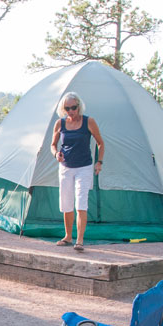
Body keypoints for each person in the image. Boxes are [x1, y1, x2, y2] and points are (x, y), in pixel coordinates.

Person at [49, 92, 105, 252]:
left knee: (81, 202)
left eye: (73, 107)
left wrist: (99, 162)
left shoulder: (89, 122)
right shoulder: (60, 124)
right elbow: (53, 145)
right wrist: (56, 154)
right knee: (66, 202)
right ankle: (68, 236)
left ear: (79, 106)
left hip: (84, 167)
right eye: (67, 108)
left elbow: (101, 143)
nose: (71, 111)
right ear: (63, 109)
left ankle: (79, 240)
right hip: (66, 167)